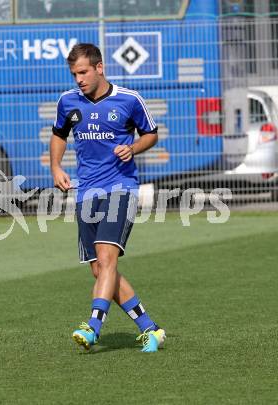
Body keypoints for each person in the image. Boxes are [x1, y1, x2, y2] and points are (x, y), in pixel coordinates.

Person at [50, 43, 165, 352]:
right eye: (74, 74)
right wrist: (56, 166)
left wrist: (134, 148)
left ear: (99, 68)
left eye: (84, 72)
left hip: (121, 188)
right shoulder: (68, 102)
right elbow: (59, 135)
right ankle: (150, 329)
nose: (79, 79)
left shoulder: (129, 100)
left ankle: (93, 326)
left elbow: (151, 134)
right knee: (99, 268)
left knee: (106, 257)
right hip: (86, 191)